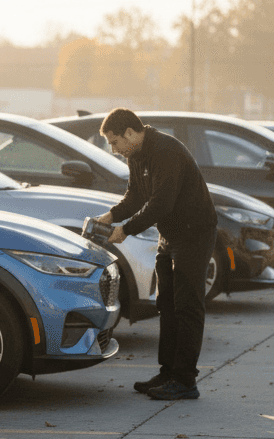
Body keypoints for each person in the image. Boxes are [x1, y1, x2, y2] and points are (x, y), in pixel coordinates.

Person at [92, 108, 217, 401]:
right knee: (167, 304)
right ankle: (168, 373)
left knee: (187, 306)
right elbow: (136, 196)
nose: (114, 149)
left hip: (194, 233)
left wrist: (126, 230)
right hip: (170, 235)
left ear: (130, 133)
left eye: (115, 142)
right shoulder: (136, 155)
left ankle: (185, 381)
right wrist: (110, 216)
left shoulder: (165, 151)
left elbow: (161, 203)